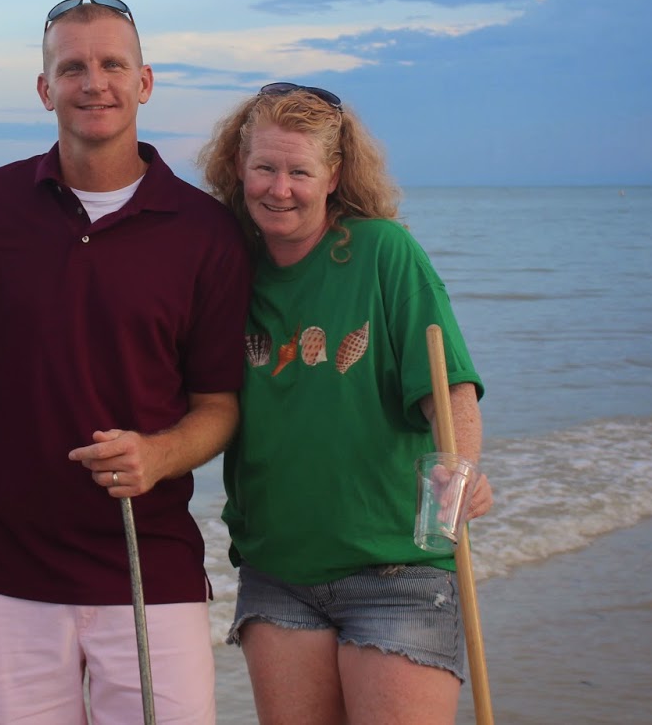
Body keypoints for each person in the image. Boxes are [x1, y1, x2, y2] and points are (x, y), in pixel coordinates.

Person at [0, 0, 252, 724]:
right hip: (5, 568)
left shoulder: (205, 230)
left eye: (113, 64)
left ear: (145, 82)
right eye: (72, 67)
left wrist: (160, 453)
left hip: (150, 566)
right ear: (45, 88)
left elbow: (219, 404)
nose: (94, 83)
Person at [196, 83, 494, 725]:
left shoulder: (384, 252)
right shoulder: (227, 267)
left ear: (333, 175)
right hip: (277, 571)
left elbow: (449, 392)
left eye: (300, 172)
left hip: (397, 570)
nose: (280, 189)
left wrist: (460, 467)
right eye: (265, 168)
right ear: (239, 167)